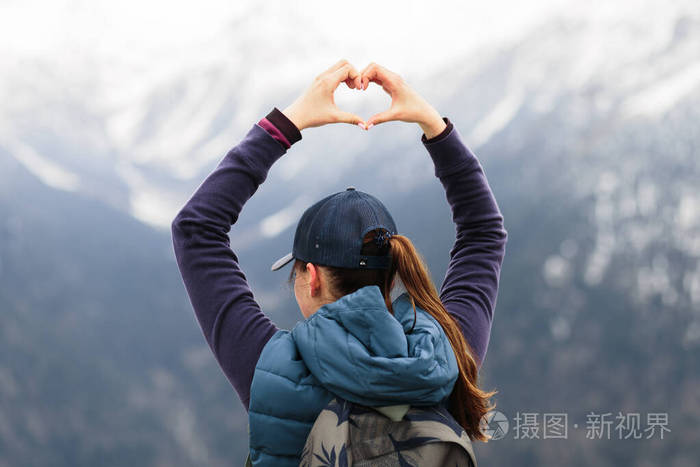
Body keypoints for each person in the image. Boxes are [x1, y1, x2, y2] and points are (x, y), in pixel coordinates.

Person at [171, 59, 508, 466]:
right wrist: (432, 124)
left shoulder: (274, 369)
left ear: (310, 277)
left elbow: (195, 229)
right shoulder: (444, 351)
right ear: (393, 272)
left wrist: (288, 123)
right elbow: (483, 234)